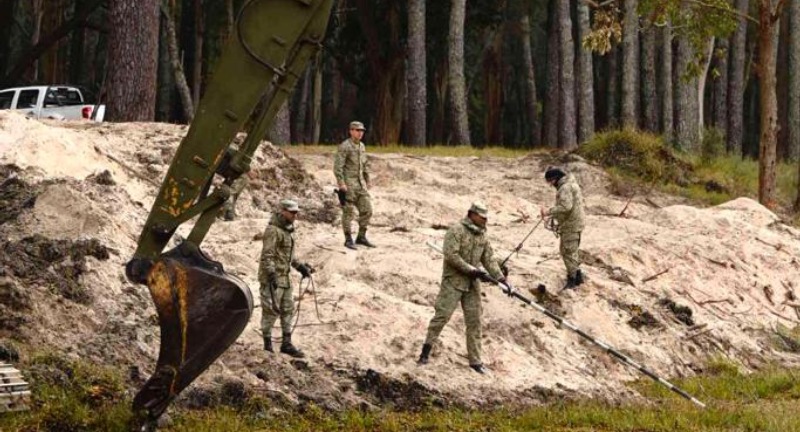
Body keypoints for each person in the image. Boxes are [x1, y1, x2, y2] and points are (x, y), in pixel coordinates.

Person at [417, 202, 509, 374]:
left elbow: (488, 259)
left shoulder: (482, 235)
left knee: (475, 322)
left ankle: (475, 361)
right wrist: (471, 270)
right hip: (453, 281)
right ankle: (425, 352)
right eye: (482, 217)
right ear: (472, 215)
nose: (485, 220)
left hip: (472, 284)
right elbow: (451, 255)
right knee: (441, 317)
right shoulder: (456, 230)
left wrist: (501, 279)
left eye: (486, 218)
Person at [258, 199, 314, 358]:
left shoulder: (287, 230)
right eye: (292, 212)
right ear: (282, 211)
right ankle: (267, 345)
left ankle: (286, 343)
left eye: (296, 212)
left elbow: (290, 256)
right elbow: (267, 255)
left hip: (285, 278)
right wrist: (271, 274)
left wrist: (301, 267)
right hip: (273, 279)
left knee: (288, 309)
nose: (295, 215)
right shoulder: (273, 230)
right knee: (270, 310)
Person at [540, 167, 585, 290]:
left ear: (555, 178)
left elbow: (566, 207)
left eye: (550, 182)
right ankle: (578, 276)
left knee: (567, 252)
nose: (550, 185)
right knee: (571, 251)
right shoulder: (570, 184)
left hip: (571, 225)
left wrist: (549, 211)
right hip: (573, 223)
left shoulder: (565, 187)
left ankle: (573, 280)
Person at [333, 121, 374, 250]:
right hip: (349, 185)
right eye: (357, 130)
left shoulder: (362, 146)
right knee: (348, 213)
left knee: (367, 210)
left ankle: (361, 237)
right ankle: (348, 239)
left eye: (362, 131)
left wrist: (367, 179)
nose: (360, 133)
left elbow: (364, 164)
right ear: (351, 131)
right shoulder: (345, 146)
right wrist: (341, 183)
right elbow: (338, 167)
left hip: (360, 185)